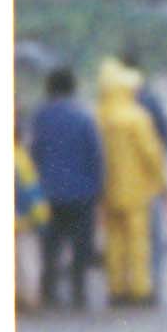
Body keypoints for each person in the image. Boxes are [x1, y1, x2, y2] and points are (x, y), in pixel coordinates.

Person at [26, 67, 100, 311]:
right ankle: (79, 293)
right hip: (82, 193)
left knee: (50, 247)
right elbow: (95, 155)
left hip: (49, 193)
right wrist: (98, 188)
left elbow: (34, 153)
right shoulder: (84, 116)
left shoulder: (40, 117)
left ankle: (49, 293)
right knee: (80, 247)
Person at [95, 60, 167, 310]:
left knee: (114, 242)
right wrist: (162, 182)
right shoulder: (136, 117)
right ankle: (139, 289)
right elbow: (152, 154)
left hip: (108, 190)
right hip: (137, 191)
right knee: (138, 242)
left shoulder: (99, 117)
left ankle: (116, 288)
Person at [13, 114, 46, 309]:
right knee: (28, 259)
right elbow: (31, 190)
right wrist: (40, 216)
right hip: (22, 220)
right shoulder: (20, 158)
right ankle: (30, 295)